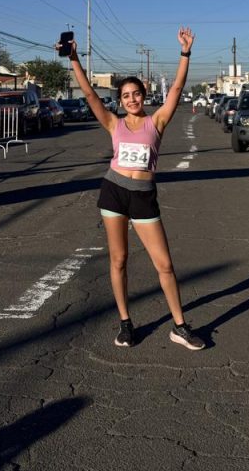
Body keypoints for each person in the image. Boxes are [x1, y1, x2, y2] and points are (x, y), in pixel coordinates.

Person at [63, 27, 205, 351]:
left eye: (136, 94)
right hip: (113, 191)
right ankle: (126, 323)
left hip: (143, 197)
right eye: (125, 96)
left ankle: (179, 326)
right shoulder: (114, 123)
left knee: (164, 264)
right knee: (119, 260)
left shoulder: (157, 122)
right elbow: (89, 95)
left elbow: (178, 89)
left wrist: (185, 53)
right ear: (121, 100)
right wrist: (74, 60)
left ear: (144, 95)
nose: (131, 99)